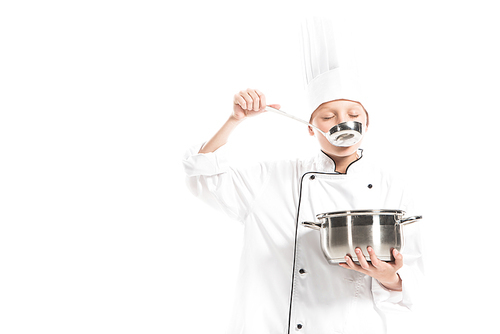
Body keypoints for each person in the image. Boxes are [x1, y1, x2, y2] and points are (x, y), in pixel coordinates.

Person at [183, 17, 423, 334]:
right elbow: (203, 178)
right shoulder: (273, 177)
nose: (344, 123)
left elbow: (413, 284)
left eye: (354, 115)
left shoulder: (392, 188)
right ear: (310, 128)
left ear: (368, 122)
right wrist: (234, 120)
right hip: (267, 324)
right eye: (328, 116)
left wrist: (387, 275)